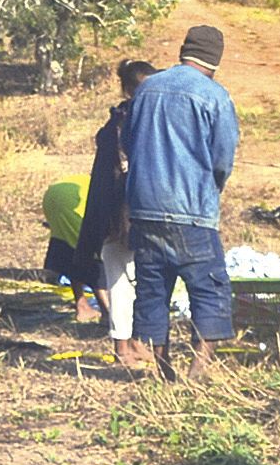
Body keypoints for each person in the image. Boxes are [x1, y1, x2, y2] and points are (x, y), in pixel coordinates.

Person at [122, 24, 240, 382]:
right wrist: (212, 189)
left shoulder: (146, 89)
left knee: (152, 289)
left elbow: (128, 143)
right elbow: (222, 159)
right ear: (215, 61)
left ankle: (164, 371)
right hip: (192, 211)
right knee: (209, 289)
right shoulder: (215, 96)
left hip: (144, 207)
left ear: (183, 51)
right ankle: (196, 370)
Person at [76, 58, 157, 366]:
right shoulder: (123, 126)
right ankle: (123, 346)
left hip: (132, 213)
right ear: (130, 91)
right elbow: (112, 178)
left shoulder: (130, 122)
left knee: (137, 280)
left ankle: (134, 340)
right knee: (122, 280)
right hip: (120, 216)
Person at [40, 174, 96, 321]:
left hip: (53, 195)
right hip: (73, 199)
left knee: (71, 252)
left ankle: (82, 306)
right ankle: (108, 314)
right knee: (95, 259)